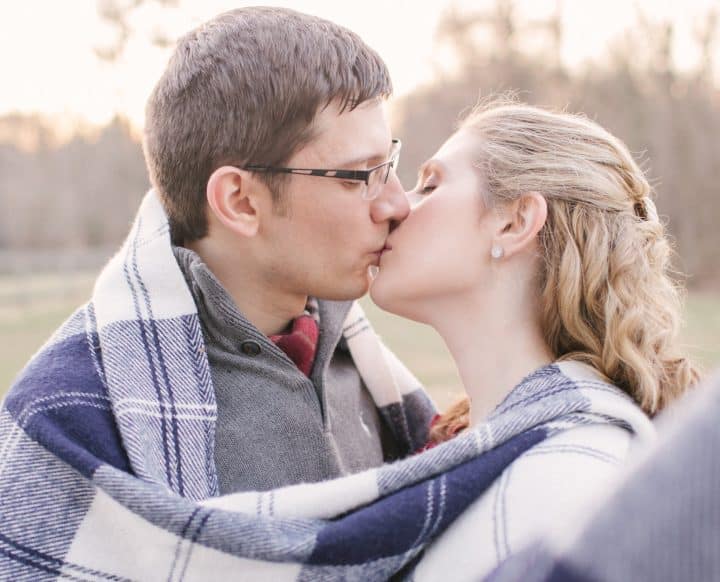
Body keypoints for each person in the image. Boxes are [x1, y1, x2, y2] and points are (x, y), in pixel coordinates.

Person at [0, 8, 437, 579]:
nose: (397, 203)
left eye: (391, 164)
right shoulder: (66, 416)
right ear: (240, 201)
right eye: (362, 176)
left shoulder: (363, 364)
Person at [368, 98, 700, 579]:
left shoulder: (572, 481)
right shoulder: (449, 444)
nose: (397, 205)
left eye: (431, 185)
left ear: (515, 222)